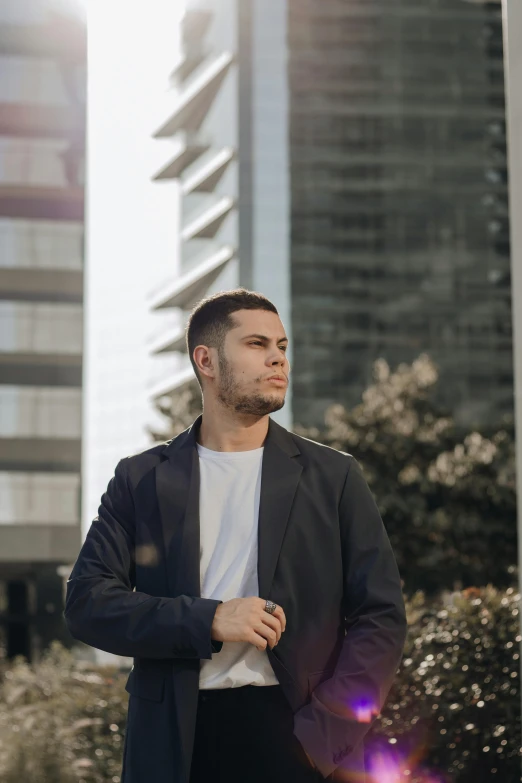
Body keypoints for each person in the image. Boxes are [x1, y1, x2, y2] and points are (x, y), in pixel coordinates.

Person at [64, 288, 407, 783]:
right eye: (256, 344)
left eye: (283, 346)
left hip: (297, 736)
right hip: (174, 740)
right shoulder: (141, 479)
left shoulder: (333, 476)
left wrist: (325, 733)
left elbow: (381, 616)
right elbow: (88, 604)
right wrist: (210, 619)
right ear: (206, 359)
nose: (277, 358)